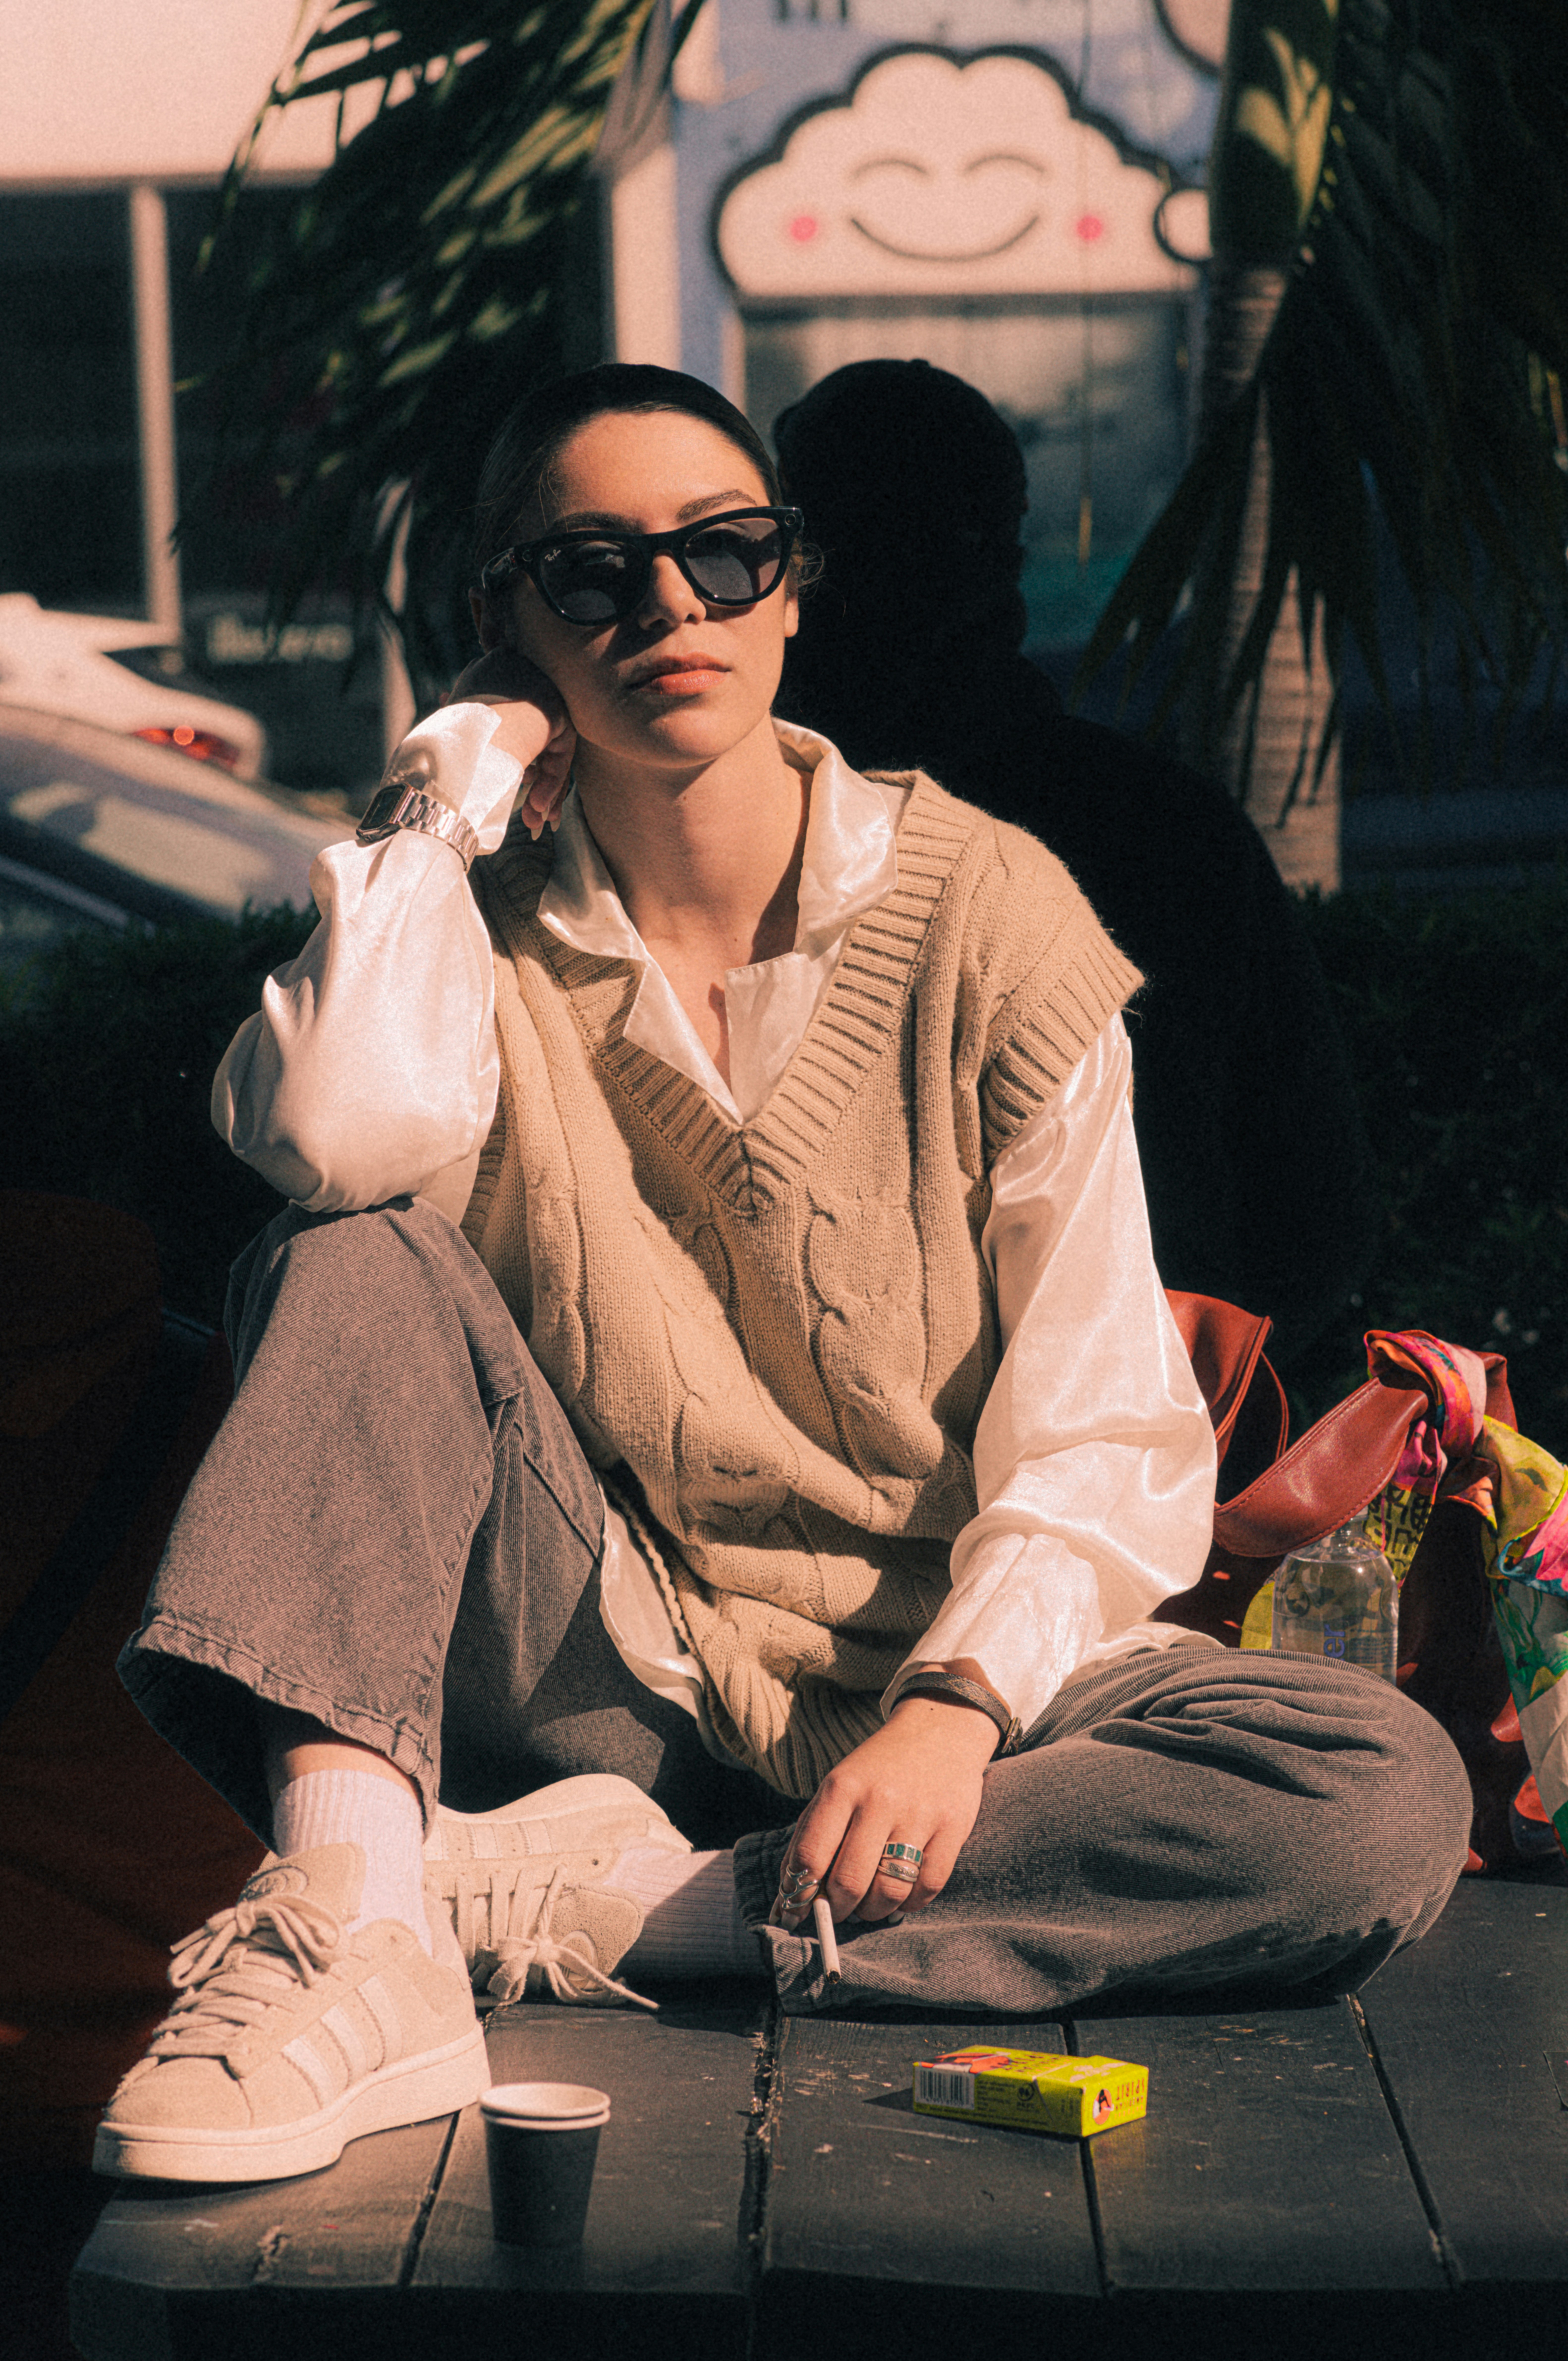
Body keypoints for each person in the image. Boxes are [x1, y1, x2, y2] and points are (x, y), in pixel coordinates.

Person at [98, 365, 1468, 2189]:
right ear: (503, 618)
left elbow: (1106, 1428)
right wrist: (444, 798)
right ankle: (352, 1912)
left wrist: (950, 1710)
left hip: (950, 1702)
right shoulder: (473, 929)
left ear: (793, 584)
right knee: (350, 1259)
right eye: (589, 572)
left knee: (1371, 1794)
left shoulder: (991, 913)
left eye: (724, 554)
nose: (667, 605)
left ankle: (575, 1912)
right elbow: (335, 1142)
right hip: (612, 1665)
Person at [773, 359, 1374, 1371]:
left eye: (801, 540)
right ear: (1004, 555)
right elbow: (1316, 1223)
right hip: (1149, 1437)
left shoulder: (737, 837)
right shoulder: (1166, 828)